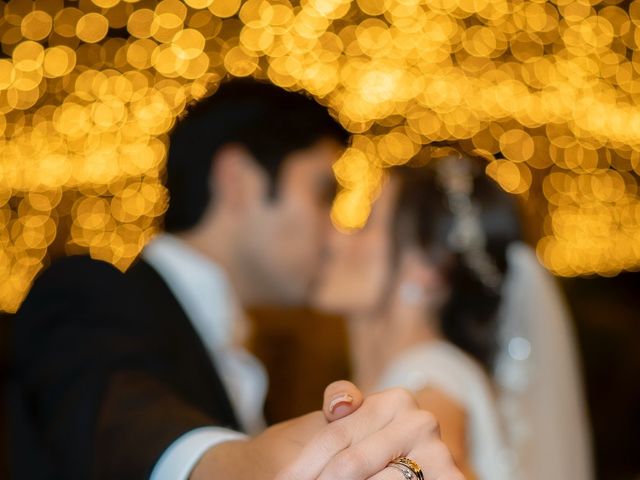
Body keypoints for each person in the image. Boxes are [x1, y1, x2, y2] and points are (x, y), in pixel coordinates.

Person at [7, 79, 464, 480]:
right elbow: (117, 420)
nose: (334, 233)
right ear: (239, 181)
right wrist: (241, 465)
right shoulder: (91, 293)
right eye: (322, 194)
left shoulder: (246, 356)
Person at [312, 146, 594, 480]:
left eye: (367, 222)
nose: (336, 238)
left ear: (426, 268)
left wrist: (408, 471)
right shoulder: (410, 377)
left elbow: (438, 454)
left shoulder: (434, 380)